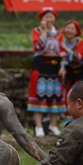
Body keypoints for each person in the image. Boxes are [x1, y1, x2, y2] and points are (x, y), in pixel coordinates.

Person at [27, 7, 65, 137]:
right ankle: (39, 127)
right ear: (41, 19)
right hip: (41, 66)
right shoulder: (37, 31)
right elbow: (39, 46)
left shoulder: (59, 33)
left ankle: (53, 126)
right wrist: (44, 30)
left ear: (55, 18)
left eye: (51, 16)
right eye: (46, 17)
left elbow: (63, 51)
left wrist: (63, 66)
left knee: (55, 95)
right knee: (39, 96)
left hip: (55, 68)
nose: (49, 19)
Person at [59, 20, 83, 121]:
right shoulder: (62, 42)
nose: (69, 30)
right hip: (70, 75)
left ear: (77, 31)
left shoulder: (80, 42)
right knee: (69, 98)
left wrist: (66, 49)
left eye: (72, 28)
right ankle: (70, 122)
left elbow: (78, 57)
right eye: (68, 28)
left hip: (82, 74)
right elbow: (62, 57)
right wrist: (62, 67)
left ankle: (82, 120)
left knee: (81, 98)